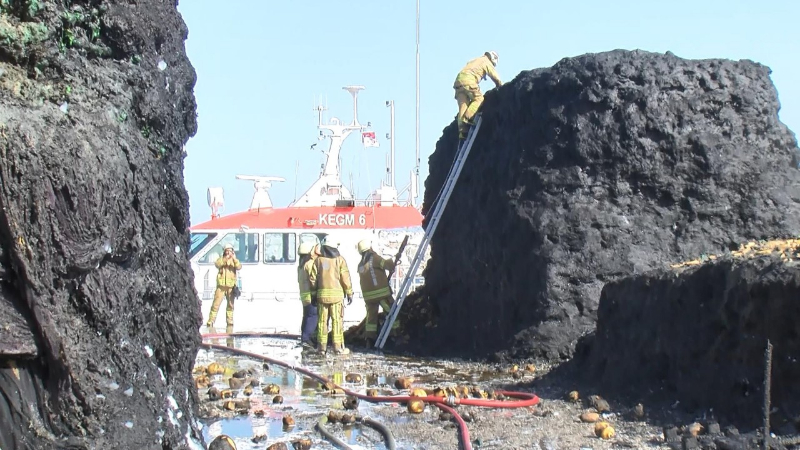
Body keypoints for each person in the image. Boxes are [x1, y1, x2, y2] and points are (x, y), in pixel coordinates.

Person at [309, 236, 353, 355]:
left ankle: (321, 348)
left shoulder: (318, 261)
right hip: (337, 298)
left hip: (322, 297)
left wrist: (313, 294)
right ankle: (337, 348)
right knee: (336, 322)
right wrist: (349, 292)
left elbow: (312, 279)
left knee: (322, 322)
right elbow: (345, 278)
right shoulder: (340, 260)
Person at [356, 239, 400, 348]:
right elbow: (387, 265)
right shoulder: (374, 258)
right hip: (381, 295)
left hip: (368, 298)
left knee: (371, 318)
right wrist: (394, 259)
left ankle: (369, 339)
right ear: (370, 248)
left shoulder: (360, 265)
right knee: (391, 312)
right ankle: (396, 334)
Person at [453, 51, 503, 139]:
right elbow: (495, 77)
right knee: (479, 99)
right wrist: (501, 86)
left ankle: (463, 132)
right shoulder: (486, 62)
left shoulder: (476, 60)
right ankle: (468, 118)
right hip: (468, 81)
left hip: (458, 82)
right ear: (493, 59)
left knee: (463, 106)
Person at [206, 243, 241, 328]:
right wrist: (225, 258)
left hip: (231, 286)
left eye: (230, 251)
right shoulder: (221, 259)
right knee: (216, 304)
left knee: (230, 305)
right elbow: (217, 264)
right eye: (227, 251)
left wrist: (234, 259)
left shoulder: (234, 260)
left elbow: (239, 267)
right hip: (221, 286)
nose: (228, 253)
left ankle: (230, 322)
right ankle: (211, 321)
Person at [296, 241, 319, 349]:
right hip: (311, 295)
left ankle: (304, 337)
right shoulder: (310, 264)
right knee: (313, 317)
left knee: (306, 317)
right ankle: (307, 339)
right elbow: (313, 279)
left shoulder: (300, 265)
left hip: (304, 296)